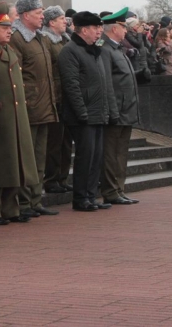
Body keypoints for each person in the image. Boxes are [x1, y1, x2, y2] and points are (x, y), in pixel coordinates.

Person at [0, 2, 38, 225]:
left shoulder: (8, 50)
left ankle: (11, 209)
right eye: (4, 27)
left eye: (9, 27)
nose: (9, 30)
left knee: (15, 164)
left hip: (16, 116)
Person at [10, 0, 60, 218]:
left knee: (39, 157)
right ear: (25, 14)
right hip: (29, 108)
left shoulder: (40, 37)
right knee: (26, 158)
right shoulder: (17, 38)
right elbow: (16, 75)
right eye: (39, 12)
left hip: (44, 107)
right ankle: (23, 202)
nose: (43, 16)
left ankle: (35, 200)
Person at [58, 11, 112, 212]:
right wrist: (82, 112)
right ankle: (81, 198)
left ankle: (91, 195)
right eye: (95, 29)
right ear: (84, 30)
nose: (99, 32)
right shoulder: (70, 51)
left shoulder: (93, 50)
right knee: (85, 157)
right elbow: (71, 85)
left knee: (96, 157)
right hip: (83, 115)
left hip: (97, 112)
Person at [99, 8, 140, 205]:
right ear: (115, 28)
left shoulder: (117, 48)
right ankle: (110, 190)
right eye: (124, 27)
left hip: (126, 109)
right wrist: (112, 110)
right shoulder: (105, 49)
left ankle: (119, 188)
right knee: (111, 152)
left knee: (121, 152)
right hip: (116, 110)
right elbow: (106, 83)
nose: (126, 31)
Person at [41, 6, 74, 194]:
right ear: (51, 22)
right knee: (54, 142)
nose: (65, 21)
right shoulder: (46, 41)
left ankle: (62, 177)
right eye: (61, 18)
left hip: (66, 97)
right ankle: (51, 179)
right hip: (55, 97)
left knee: (65, 142)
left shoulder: (65, 40)